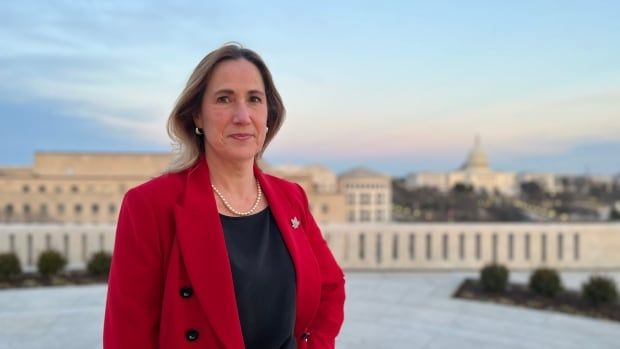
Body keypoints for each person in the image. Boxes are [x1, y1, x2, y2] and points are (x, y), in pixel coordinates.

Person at [103, 43, 346, 349]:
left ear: (268, 115)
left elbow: (330, 287)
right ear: (197, 116)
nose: (242, 115)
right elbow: (128, 336)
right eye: (224, 99)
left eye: (254, 99)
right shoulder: (150, 206)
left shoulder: (291, 197)